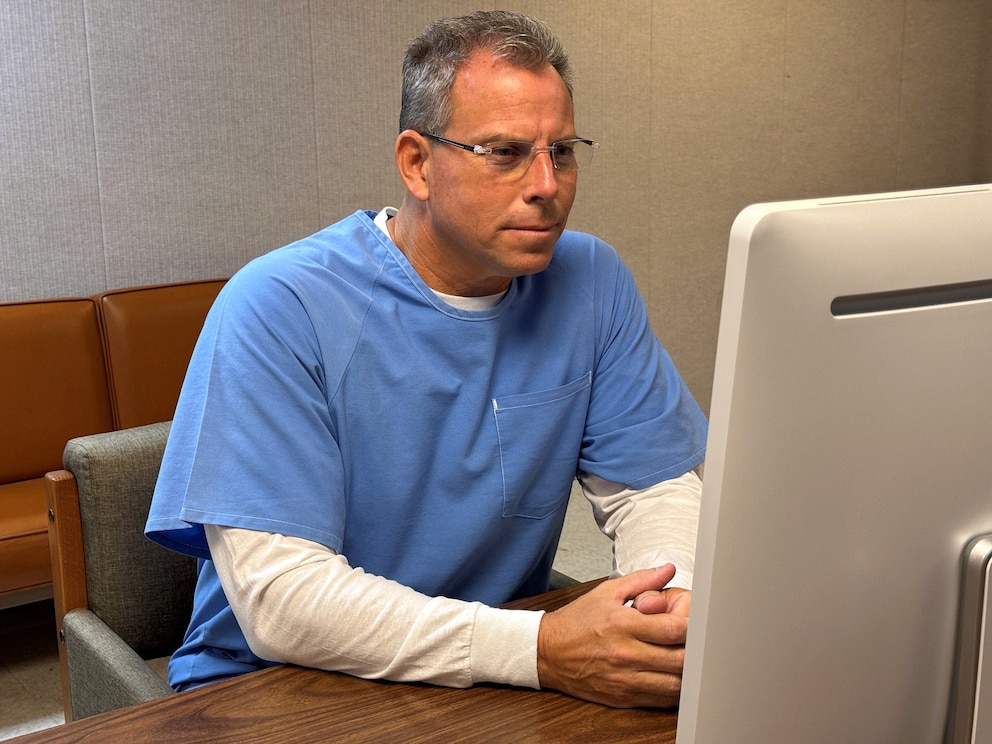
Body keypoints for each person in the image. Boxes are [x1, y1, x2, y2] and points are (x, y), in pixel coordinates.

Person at [145, 10, 707, 709]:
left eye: (561, 151)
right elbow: (281, 601)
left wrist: (669, 605)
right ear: (416, 163)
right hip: (277, 684)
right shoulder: (279, 304)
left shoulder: (590, 279)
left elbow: (651, 487)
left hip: (490, 673)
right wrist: (538, 649)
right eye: (504, 153)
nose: (546, 184)